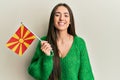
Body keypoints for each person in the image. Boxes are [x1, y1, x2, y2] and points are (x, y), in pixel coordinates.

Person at [28, 3, 94, 80]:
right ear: (52, 20)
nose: (62, 18)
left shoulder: (79, 43)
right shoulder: (44, 42)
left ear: (70, 21)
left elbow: (86, 76)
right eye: (57, 15)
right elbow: (35, 73)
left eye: (66, 15)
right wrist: (46, 57)